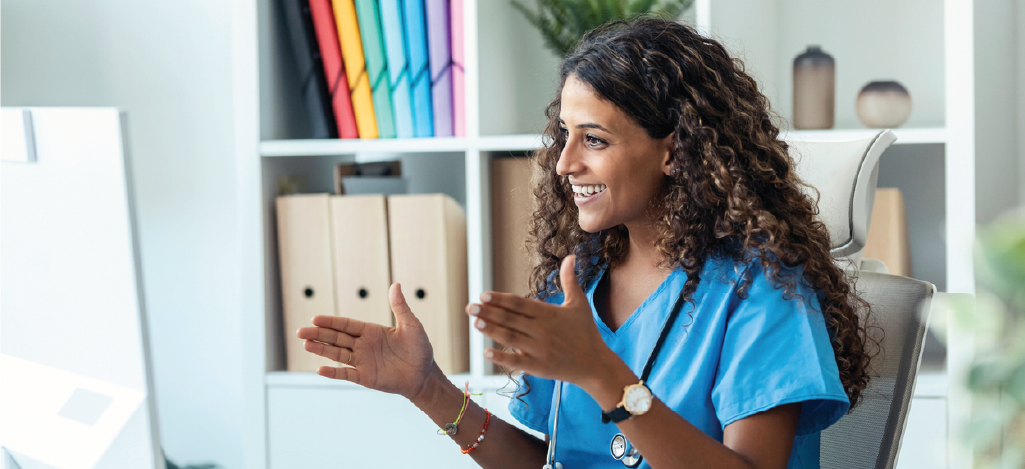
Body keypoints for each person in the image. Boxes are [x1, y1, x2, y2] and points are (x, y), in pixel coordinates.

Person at [296, 18, 872, 469]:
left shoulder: (762, 289)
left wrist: (603, 374)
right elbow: (550, 461)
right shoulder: (580, 279)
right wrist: (429, 389)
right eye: (564, 136)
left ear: (676, 150)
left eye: (593, 139)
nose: (565, 163)